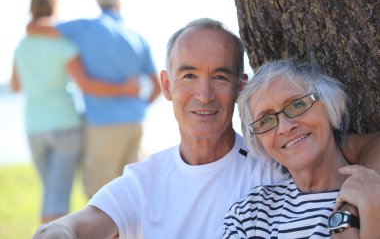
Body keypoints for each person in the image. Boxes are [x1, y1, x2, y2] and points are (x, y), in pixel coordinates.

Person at [31, 18, 380, 239]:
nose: (204, 94)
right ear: (166, 86)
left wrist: (352, 207)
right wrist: (57, 232)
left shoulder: (277, 156)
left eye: (220, 76)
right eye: (189, 75)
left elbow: (363, 148)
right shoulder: (143, 181)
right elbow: (76, 226)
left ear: (239, 88)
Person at [11, 0, 140, 224]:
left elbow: (16, 86)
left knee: (50, 193)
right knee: (59, 196)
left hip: (33, 127)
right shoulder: (65, 47)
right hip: (65, 125)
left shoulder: (22, 47)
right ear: (54, 8)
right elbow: (86, 84)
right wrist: (125, 89)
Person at [28, 0, 162, 198]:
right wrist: (138, 107)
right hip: (136, 124)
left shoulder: (84, 28)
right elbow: (158, 87)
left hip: (103, 127)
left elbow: (34, 28)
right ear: (119, 3)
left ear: (98, 1)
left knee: (100, 198)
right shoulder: (136, 36)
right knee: (137, 195)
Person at [223, 59, 380, 238]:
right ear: (258, 140)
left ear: (329, 106)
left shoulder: (372, 190)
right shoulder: (250, 214)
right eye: (265, 120)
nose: (284, 127)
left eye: (297, 105)